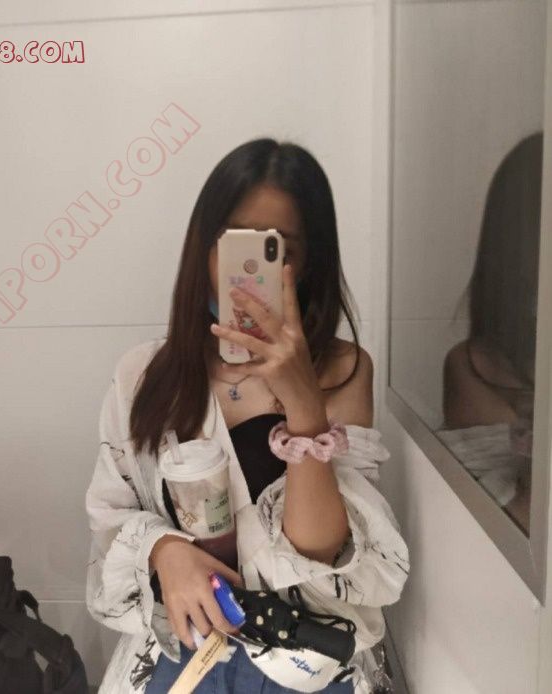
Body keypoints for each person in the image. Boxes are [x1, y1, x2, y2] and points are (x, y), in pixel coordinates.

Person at [85, 138, 410, 693]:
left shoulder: (342, 370)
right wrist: (164, 549)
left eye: (276, 247)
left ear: (307, 261)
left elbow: (325, 556)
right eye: (234, 241)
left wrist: (304, 405)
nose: (248, 270)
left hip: (302, 661)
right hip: (182, 652)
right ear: (203, 247)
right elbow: (110, 513)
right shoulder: (143, 375)